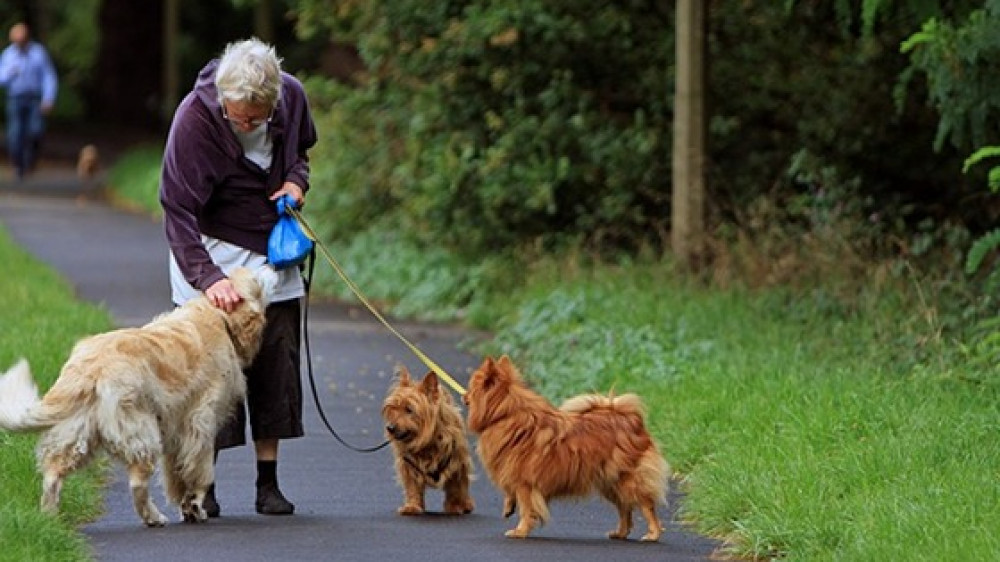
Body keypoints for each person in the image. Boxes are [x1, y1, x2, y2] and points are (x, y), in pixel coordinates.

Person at [159, 37, 318, 516]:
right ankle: (203, 483)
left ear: (274, 100)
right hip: (210, 249)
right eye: (238, 117)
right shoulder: (194, 118)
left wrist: (296, 182)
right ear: (222, 98)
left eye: (256, 118)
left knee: (276, 359)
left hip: (272, 252)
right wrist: (209, 278)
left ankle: (268, 483)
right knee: (210, 375)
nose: (246, 125)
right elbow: (177, 208)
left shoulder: (291, 96)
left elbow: (300, 154)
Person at [0, 22, 58, 180]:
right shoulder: (8, 55)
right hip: (15, 98)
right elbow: (1, 78)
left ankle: (31, 161)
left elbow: (48, 76)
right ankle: (18, 164)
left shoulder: (38, 53)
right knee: (15, 133)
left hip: (34, 98)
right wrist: (10, 73)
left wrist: (48, 98)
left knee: (35, 131)